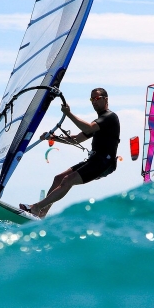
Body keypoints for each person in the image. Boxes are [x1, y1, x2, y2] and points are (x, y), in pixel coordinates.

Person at [20, 88, 120, 218]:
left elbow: (88, 128)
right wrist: (54, 138)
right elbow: (77, 139)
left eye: (96, 98)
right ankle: (42, 214)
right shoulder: (99, 122)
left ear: (105, 99)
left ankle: (36, 207)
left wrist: (68, 113)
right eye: (92, 99)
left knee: (68, 180)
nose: (94, 102)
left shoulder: (109, 117)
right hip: (94, 160)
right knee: (59, 178)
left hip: (104, 162)